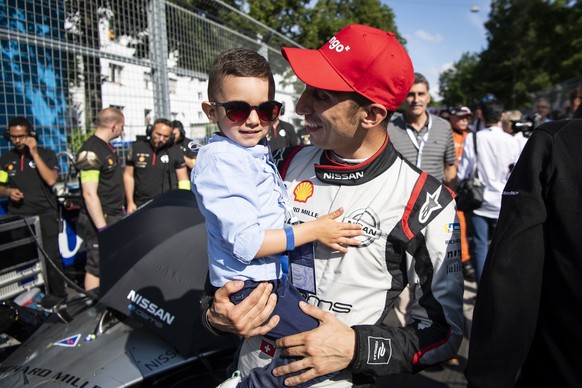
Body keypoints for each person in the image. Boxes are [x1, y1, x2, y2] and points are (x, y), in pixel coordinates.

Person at [202, 24, 465, 387]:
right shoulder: (277, 162)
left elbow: (444, 334)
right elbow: (229, 248)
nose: (299, 105)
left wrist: (357, 347)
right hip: (248, 370)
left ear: (371, 115)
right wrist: (214, 313)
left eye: (321, 96)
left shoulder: (424, 201)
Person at [193, 48, 362, 387]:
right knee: (319, 346)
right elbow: (248, 241)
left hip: (269, 279)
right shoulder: (223, 160)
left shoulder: (249, 151)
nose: (254, 120)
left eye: (267, 109)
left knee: (301, 345)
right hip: (253, 286)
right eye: (238, 110)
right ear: (212, 111)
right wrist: (315, 229)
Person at [465, 118, 582, 387]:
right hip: (500, 203)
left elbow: (514, 274)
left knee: (485, 247)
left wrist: (489, 376)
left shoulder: (556, 140)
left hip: (559, 367)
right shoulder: (546, 140)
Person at [0, 117, 67, 300]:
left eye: (22, 136)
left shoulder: (47, 155)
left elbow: (51, 180)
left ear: (31, 135)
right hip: (19, 216)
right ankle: (26, 295)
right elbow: (0, 185)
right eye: (13, 137)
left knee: (51, 256)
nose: (18, 141)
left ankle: (58, 295)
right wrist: (8, 191)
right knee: (22, 258)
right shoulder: (5, 159)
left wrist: (34, 153)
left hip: (44, 213)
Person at [457, 99, 520, 284]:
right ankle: (502, 286)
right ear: (501, 117)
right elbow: (515, 172)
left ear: (481, 115)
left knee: (479, 245)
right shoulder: (511, 141)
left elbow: (464, 172)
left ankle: (482, 288)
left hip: (479, 201)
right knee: (505, 245)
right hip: (504, 201)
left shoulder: (474, 138)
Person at [75, 107, 126, 291]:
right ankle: (93, 309)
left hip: (113, 214)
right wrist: (102, 227)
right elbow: (89, 193)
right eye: (121, 126)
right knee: (96, 265)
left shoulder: (105, 148)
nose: (122, 131)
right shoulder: (91, 151)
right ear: (113, 125)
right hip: (100, 218)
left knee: (110, 261)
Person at [387, 72, 457, 188]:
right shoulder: (389, 127)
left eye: (421, 94)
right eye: (410, 94)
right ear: (403, 98)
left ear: (428, 98)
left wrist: (452, 201)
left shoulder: (444, 127)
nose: (416, 99)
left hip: (435, 200)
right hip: (400, 200)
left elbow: (450, 166)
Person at [123, 118, 190, 214]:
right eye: (158, 134)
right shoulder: (136, 148)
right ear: (150, 131)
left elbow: (183, 179)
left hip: (168, 205)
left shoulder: (175, 151)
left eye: (166, 136)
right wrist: (130, 202)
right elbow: (128, 175)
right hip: (140, 204)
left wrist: (183, 201)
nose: (161, 139)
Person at [449, 106, 476, 282]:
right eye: (460, 117)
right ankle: (464, 260)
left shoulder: (472, 136)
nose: (464, 120)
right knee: (460, 225)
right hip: (452, 186)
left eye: (467, 117)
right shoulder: (447, 134)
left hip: (470, 188)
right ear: (452, 117)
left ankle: (469, 256)